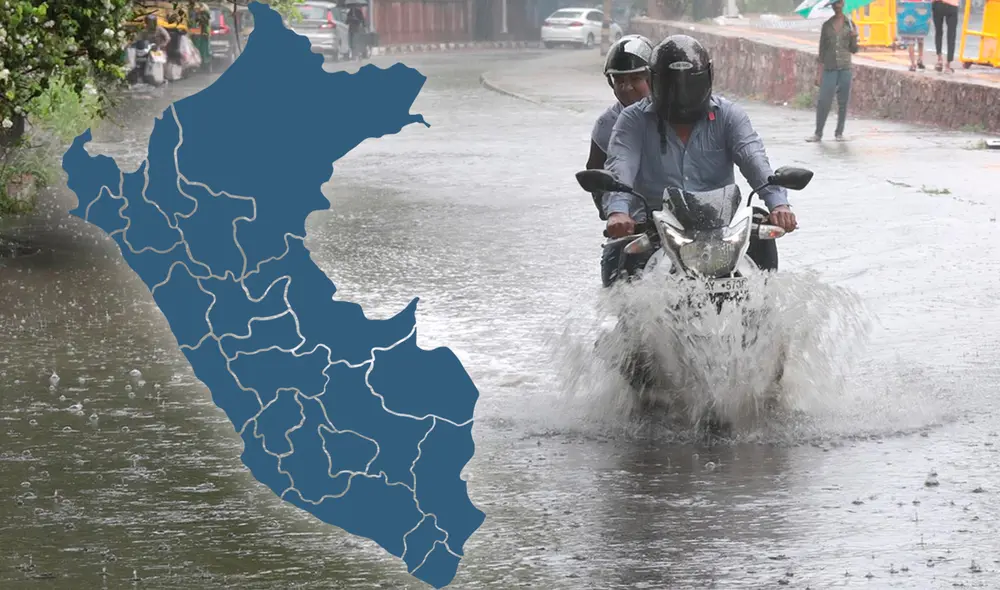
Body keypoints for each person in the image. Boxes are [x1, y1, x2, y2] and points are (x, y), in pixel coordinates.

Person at [600, 34, 797, 286]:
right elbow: (621, 167)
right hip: (655, 226)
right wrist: (618, 213)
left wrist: (779, 205)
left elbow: (754, 159)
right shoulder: (632, 120)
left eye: (688, 85)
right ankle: (628, 324)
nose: (681, 93)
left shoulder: (729, 116)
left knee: (762, 245)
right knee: (618, 261)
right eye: (673, 85)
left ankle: (762, 316)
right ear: (655, 81)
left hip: (721, 228)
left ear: (707, 78)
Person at [586, 34, 654, 220]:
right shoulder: (606, 124)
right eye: (619, 80)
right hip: (632, 224)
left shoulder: (672, 115)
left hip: (677, 219)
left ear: (653, 78)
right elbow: (596, 173)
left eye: (635, 79)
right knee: (615, 250)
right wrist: (613, 213)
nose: (627, 87)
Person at [807, 0, 859, 142]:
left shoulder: (850, 25)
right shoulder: (827, 26)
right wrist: (819, 74)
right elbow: (821, 52)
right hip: (829, 68)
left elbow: (854, 50)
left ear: (843, 4)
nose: (837, 7)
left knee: (843, 102)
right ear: (832, 7)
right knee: (824, 100)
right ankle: (818, 133)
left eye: (839, 3)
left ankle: (839, 133)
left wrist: (854, 37)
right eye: (834, 5)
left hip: (845, 68)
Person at [932, 0, 960, 73]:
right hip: (952, 5)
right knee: (951, 35)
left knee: (938, 32)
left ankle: (939, 60)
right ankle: (948, 65)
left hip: (938, 4)